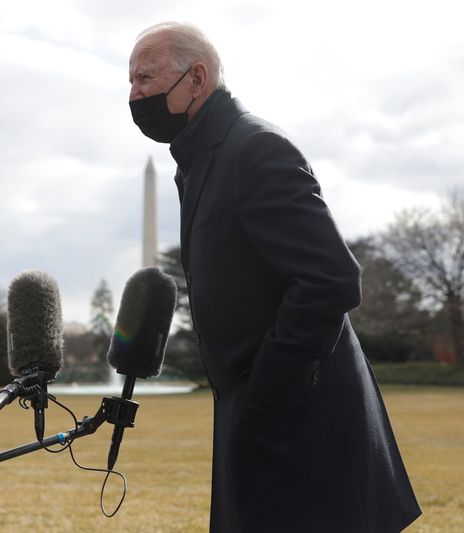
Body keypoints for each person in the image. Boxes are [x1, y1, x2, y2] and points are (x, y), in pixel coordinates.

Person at [128, 22, 421, 532]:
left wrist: (266, 387)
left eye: (145, 78)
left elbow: (330, 279)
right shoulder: (201, 159)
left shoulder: (254, 149)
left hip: (300, 426)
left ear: (196, 78)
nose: (134, 96)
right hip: (261, 419)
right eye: (130, 82)